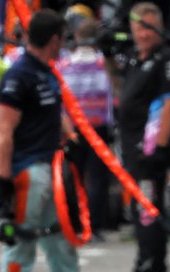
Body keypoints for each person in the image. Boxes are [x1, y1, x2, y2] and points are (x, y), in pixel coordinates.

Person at [0, 9, 118, 272]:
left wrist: (70, 137)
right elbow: (4, 132)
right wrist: (2, 182)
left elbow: (53, 112)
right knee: (21, 240)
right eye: (62, 39)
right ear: (53, 40)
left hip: (53, 170)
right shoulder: (19, 75)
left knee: (62, 239)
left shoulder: (47, 73)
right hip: (26, 172)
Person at [109, 3, 170, 272]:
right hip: (130, 146)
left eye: (149, 27)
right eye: (139, 27)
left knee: (149, 208)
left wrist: (160, 147)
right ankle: (144, 262)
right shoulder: (133, 59)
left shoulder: (168, 59)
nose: (143, 33)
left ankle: (152, 267)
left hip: (150, 148)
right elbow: (119, 88)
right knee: (140, 210)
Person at [57, 18, 114, 236]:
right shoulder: (104, 63)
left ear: (77, 37)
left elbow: (61, 99)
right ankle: (96, 224)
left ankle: (75, 222)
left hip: (74, 126)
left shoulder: (66, 64)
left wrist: (66, 127)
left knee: (75, 175)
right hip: (99, 126)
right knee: (98, 176)